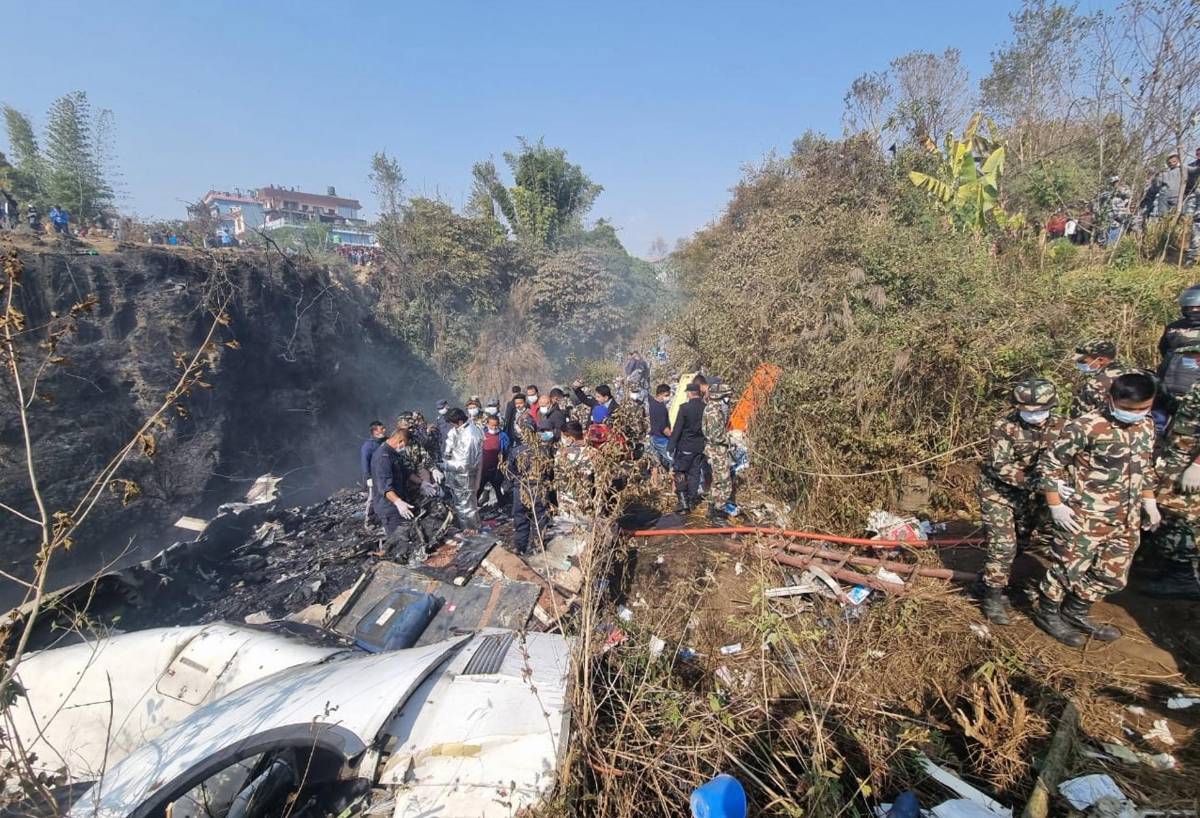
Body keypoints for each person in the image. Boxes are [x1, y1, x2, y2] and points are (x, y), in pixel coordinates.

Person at [1036, 371, 1161, 647]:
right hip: (1086, 515)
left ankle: (1076, 610)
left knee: (1112, 575)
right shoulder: (1086, 426)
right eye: (1129, 409)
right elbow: (1050, 466)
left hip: (1126, 517)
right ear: (1111, 399)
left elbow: (1145, 467)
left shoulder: (1146, 426)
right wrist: (1056, 506)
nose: (1137, 414)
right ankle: (1047, 613)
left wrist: (1150, 502)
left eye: (1144, 408)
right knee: (1067, 569)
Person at [977, 379, 1065, 624]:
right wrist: (1045, 485)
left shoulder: (1064, 427)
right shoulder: (1004, 426)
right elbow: (1000, 466)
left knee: (1023, 542)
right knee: (1002, 546)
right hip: (999, 493)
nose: (1034, 415)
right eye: (1028, 410)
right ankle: (992, 597)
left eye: (1040, 409)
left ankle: (989, 580)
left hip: (1034, 498)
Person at [1146, 344, 1200, 600]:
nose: (1192, 362)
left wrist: (1197, 466)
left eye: (1194, 357)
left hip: (1191, 464)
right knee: (1172, 512)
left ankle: (1183, 579)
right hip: (1179, 457)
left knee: (1183, 517)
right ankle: (1172, 569)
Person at [506, 421, 551, 554]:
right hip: (539, 487)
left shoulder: (516, 451)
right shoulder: (544, 450)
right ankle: (539, 546)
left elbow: (510, 472)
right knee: (540, 517)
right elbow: (549, 471)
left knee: (521, 518)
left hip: (521, 488)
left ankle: (521, 547)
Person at [370, 421, 418, 537]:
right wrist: (398, 502)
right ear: (400, 441)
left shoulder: (393, 454)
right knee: (399, 540)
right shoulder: (383, 457)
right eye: (405, 445)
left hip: (399, 500)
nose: (404, 448)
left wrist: (422, 483)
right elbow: (384, 487)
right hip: (390, 507)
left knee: (410, 536)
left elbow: (406, 472)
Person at [668, 381, 707, 513]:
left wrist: (671, 445)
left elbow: (677, 429)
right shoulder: (705, 407)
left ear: (689, 393)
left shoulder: (684, 408)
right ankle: (691, 501)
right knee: (695, 473)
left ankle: (683, 503)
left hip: (685, 446)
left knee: (680, 472)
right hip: (699, 447)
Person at [441, 407, 482, 533]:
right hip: (456, 476)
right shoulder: (459, 430)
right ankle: (466, 529)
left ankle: (472, 531)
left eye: (452, 423)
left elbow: (468, 463)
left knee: (468, 507)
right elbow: (451, 438)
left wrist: (446, 465)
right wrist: (447, 453)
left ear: (459, 421)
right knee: (460, 505)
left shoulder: (471, 435)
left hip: (466, 476)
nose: (451, 426)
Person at [703, 380, 738, 520]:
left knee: (717, 481)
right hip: (717, 450)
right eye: (727, 396)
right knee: (724, 483)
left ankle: (712, 509)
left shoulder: (713, 408)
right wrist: (731, 440)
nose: (728, 399)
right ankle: (718, 511)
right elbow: (715, 435)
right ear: (720, 396)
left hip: (717, 450)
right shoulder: (714, 411)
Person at [1069, 339, 1128, 418]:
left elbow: (1078, 419)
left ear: (1100, 360)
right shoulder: (1142, 375)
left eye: (1083, 361)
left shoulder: (1094, 385)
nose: (1079, 364)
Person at [554, 420, 595, 517]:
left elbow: (557, 475)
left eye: (564, 436)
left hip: (566, 501)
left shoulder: (562, 454)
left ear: (570, 437)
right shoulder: (592, 452)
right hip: (585, 500)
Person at [478, 413, 510, 508]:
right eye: (492, 425)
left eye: (496, 425)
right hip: (483, 468)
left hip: (496, 468)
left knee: (498, 488)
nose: (494, 427)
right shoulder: (481, 435)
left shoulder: (503, 436)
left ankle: (502, 506)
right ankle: (474, 506)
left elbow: (506, 451)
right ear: (487, 424)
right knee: (479, 488)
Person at [360, 420, 387, 526]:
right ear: (375, 431)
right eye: (382, 429)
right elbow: (364, 462)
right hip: (375, 476)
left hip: (386, 474)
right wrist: (368, 478)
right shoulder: (368, 446)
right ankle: (369, 519)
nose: (384, 430)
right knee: (373, 497)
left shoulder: (386, 441)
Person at [1095, 176, 1132, 247]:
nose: (1116, 184)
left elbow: (1128, 195)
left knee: (1121, 227)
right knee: (1106, 229)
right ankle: (1105, 245)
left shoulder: (1123, 191)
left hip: (1120, 214)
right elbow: (1098, 204)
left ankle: (1116, 245)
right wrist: (1098, 214)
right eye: (1114, 183)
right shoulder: (1105, 194)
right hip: (1109, 215)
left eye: (1117, 182)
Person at [648, 383, 674, 472]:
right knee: (674, 462)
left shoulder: (652, 404)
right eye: (667, 395)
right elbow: (664, 428)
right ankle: (675, 484)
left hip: (653, 437)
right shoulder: (661, 408)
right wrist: (674, 437)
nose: (668, 397)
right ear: (660, 394)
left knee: (655, 464)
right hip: (661, 439)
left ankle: (655, 484)